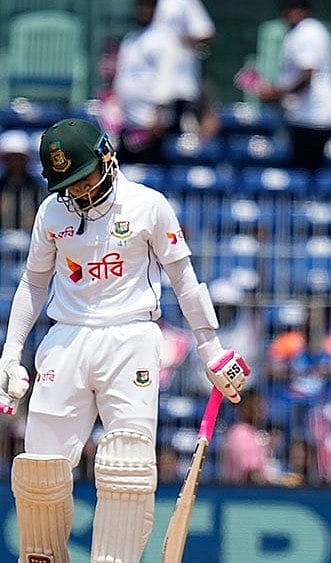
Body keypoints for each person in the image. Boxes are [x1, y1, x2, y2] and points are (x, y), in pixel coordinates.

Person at [0, 118, 249, 562]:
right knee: (41, 469)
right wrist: (11, 352)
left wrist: (210, 348)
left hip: (131, 337)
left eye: (84, 178)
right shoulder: (52, 212)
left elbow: (184, 280)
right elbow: (33, 283)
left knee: (127, 466)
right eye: (68, 184)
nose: (78, 191)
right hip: (66, 337)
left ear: (107, 157)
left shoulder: (147, 205)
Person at [258, 0, 331, 171]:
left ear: (305, 11)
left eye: (295, 9)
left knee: (307, 175)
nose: (290, 13)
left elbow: (307, 74)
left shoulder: (306, 32)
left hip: (315, 117)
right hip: (314, 116)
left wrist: (278, 94)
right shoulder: (311, 30)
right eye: (288, 9)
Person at [114, 0, 182, 165]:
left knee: (150, 172)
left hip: (152, 123)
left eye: (147, 7)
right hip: (128, 122)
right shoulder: (130, 40)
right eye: (140, 7)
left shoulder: (164, 39)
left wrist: (159, 116)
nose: (142, 11)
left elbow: (167, 78)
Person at [152, 0, 220, 139]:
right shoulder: (152, 4)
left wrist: (179, 41)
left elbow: (206, 32)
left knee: (183, 135)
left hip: (182, 83)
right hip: (156, 82)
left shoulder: (184, 2)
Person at [0, 130, 43, 231]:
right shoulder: (1, 186)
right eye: (11, 158)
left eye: (19, 158)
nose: (15, 162)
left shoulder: (37, 187)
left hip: (29, 237)